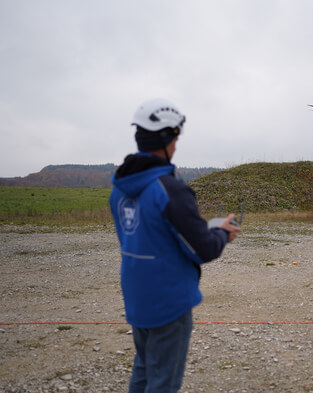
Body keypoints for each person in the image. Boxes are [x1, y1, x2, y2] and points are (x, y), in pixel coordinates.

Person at [109, 98, 240, 393]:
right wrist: (222, 234)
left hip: (138, 297)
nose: (178, 145)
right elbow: (203, 249)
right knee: (163, 383)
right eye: (176, 138)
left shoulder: (120, 188)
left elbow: (152, 234)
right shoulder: (170, 189)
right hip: (168, 303)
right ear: (168, 138)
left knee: (143, 371)